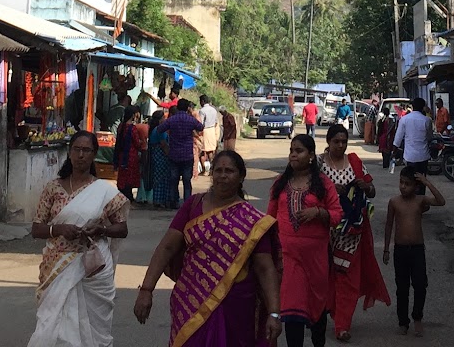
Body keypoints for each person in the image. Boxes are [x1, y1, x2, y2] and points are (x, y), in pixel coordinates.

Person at [134, 149, 281, 347]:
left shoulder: (252, 220)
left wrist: (274, 312)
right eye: (218, 170)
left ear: (241, 177)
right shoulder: (193, 205)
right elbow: (167, 247)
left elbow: (265, 268)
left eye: (229, 171)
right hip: (189, 301)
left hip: (235, 308)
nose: (223, 176)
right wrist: (146, 290)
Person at [28, 130, 129, 347]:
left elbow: (122, 229)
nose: (81, 155)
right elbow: (37, 229)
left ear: (94, 154)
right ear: (69, 152)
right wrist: (59, 229)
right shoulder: (53, 188)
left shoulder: (103, 191)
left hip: (92, 269)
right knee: (50, 328)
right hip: (58, 265)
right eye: (77, 149)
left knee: (93, 329)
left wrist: (101, 230)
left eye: (86, 150)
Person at [268, 134, 343, 347]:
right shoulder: (280, 184)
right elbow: (270, 218)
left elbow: (337, 215)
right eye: (291, 150)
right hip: (288, 256)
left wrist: (318, 212)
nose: (293, 155)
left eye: (299, 151)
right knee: (292, 311)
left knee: (317, 309)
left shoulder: (323, 184)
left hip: (316, 258)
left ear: (311, 155)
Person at [318, 125, 391, 342]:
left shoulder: (355, 163)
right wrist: (331, 190)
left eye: (344, 142)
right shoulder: (318, 164)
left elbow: (372, 191)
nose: (340, 146)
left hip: (352, 233)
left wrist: (365, 187)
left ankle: (342, 325)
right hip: (324, 231)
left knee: (347, 277)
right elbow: (308, 191)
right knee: (325, 275)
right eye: (336, 142)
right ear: (329, 142)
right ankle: (328, 310)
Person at [382, 169, 444, 338]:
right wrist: (386, 248)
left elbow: (441, 201)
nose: (403, 187)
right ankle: (403, 322)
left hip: (417, 250)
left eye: (408, 184)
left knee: (420, 285)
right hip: (400, 250)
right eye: (401, 182)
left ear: (416, 187)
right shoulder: (394, 202)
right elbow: (389, 225)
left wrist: (427, 182)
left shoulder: (420, 201)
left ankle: (417, 317)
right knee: (402, 288)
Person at [162, 99, 205, 209]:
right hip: (187, 154)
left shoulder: (172, 120)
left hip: (174, 154)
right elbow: (201, 127)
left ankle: (173, 202)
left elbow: (160, 129)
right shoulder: (190, 120)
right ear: (187, 108)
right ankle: (187, 203)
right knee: (187, 181)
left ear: (177, 107)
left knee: (173, 180)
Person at [115, 108, 147, 205]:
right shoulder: (132, 128)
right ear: (132, 115)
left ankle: (123, 194)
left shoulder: (121, 126)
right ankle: (128, 195)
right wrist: (142, 143)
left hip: (122, 155)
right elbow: (137, 143)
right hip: (131, 155)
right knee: (130, 176)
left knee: (123, 175)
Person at [393, 99, 431, 174]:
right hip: (423, 155)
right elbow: (429, 137)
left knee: (410, 178)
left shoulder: (404, 119)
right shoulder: (427, 120)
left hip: (410, 156)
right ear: (423, 107)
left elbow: (398, 138)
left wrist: (394, 152)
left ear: (412, 106)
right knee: (421, 178)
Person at [147, 111, 176, 210]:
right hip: (161, 156)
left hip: (156, 155)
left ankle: (158, 200)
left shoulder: (154, 129)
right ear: (160, 119)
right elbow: (163, 144)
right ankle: (160, 201)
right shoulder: (160, 130)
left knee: (158, 178)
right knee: (162, 179)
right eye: (164, 117)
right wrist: (170, 155)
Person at [198, 98, 221, 174]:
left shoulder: (202, 110)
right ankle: (212, 168)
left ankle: (205, 170)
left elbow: (200, 123)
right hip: (212, 131)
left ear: (203, 101)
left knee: (203, 151)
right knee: (210, 151)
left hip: (205, 131)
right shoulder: (214, 110)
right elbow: (216, 122)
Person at [377, 108, 397, 172]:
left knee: (384, 152)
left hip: (382, 137)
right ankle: (387, 164)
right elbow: (393, 130)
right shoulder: (390, 120)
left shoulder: (382, 119)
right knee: (388, 152)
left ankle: (384, 164)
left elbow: (379, 129)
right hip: (388, 137)